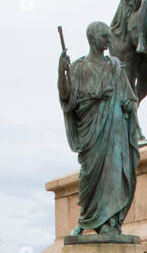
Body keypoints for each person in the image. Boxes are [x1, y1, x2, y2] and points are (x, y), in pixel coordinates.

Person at [58, 22, 140, 235]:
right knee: (88, 175)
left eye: (108, 36)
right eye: (104, 36)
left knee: (112, 175)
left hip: (113, 132)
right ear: (93, 39)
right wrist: (61, 72)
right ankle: (86, 219)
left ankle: (109, 222)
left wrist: (128, 105)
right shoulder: (77, 68)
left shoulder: (114, 66)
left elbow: (131, 98)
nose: (108, 40)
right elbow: (68, 99)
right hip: (90, 132)